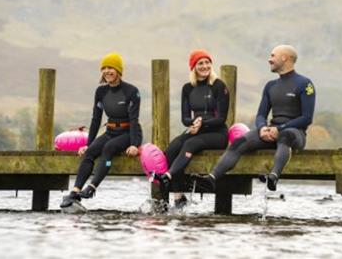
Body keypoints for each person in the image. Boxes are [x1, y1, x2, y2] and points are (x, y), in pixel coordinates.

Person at [193, 44, 315, 192]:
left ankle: (274, 176)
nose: (269, 60)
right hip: (270, 132)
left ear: (284, 58)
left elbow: (307, 118)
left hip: (295, 134)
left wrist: (280, 128)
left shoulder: (304, 84)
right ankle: (212, 178)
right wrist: (263, 127)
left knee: (285, 136)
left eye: (272, 56)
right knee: (239, 142)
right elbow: (261, 114)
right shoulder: (270, 86)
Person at [60, 52, 142, 208]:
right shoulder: (101, 92)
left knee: (109, 147)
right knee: (90, 153)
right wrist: (88, 144)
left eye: (110, 67)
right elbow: (96, 119)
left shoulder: (132, 91)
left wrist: (135, 145)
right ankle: (75, 192)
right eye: (104, 68)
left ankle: (92, 188)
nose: (107, 71)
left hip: (128, 132)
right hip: (110, 132)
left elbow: (134, 120)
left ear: (118, 70)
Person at [155, 49, 230, 208]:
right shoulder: (188, 88)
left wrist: (202, 123)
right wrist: (193, 123)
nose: (204, 66)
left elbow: (221, 118)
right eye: (200, 63)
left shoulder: (219, 86)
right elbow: (185, 117)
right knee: (172, 149)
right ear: (194, 67)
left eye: (207, 62)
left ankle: (168, 175)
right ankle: (178, 196)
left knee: (190, 144)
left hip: (217, 133)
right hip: (196, 129)